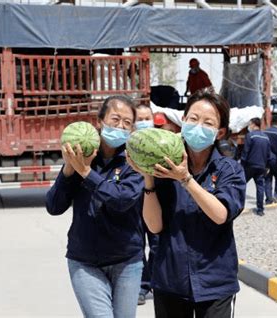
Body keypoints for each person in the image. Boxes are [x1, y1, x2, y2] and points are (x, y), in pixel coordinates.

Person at [127, 89, 246, 318]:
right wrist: (149, 177)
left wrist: (185, 179)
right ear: (183, 121)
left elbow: (221, 214)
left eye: (208, 123)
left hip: (215, 282)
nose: (198, 126)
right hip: (170, 281)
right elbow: (154, 226)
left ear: (219, 132)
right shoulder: (162, 165)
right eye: (193, 119)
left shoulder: (229, 170)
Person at [46, 95, 144, 317]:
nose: (121, 126)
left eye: (127, 123)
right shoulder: (83, 154)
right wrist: (69, 169)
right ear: (100, 121)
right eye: (115, 119)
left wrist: (86, 173)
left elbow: (121, 200)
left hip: (126, 260)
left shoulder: (134, 160)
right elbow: (53, 206)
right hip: (85, 261)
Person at [135, 104, 160, 305]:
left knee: (157, 245)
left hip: (157, 202)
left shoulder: (162, 142)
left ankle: (155, 281)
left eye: (147, 117)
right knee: (137, 245)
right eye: (140, 118)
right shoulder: (129, 145)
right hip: (134, 203)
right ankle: (142, 286)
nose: (144, 122)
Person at [241, 117, 272, 215]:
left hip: (250, 166)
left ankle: (239, 206)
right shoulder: (266, 137)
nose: (249, 126)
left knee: (241, 184)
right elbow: (268, 154)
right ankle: (260, 209)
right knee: (260, 187)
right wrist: (267, 166)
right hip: (261, 166)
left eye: (250, 124)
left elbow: (245, 151)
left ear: (254, 125)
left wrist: (241, 165)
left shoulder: (250, 136)